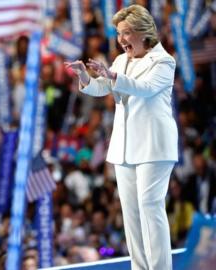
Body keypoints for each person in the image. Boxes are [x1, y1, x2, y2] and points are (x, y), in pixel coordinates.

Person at [64, 5, 177, 270]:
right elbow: (102, 87)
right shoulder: (121, 61)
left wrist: (114, 75)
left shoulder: (164, 61)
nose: (121, 39)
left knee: (150, 206)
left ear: (142, 32)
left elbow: (146, 89)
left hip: (154, 146)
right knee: (132, 212)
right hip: (125, 147)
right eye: (118, 34)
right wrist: (84, 75)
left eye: (126, 33)